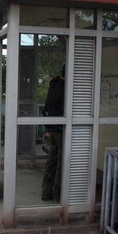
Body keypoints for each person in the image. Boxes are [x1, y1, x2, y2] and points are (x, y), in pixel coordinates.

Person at [41, 65, 65, 202]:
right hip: (62, 128)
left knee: (51, 161)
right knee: (61, 162)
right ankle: (57, 195)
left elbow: (47, 105)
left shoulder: (54, 84)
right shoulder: (65, 88)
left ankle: (46, 192)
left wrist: (48, 127)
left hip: (52, 127)